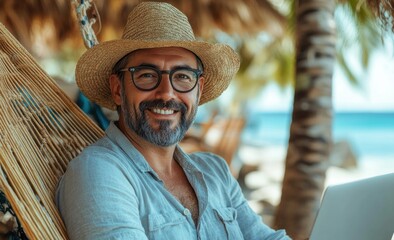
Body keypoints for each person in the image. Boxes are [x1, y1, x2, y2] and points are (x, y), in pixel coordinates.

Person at [56, 2, 290, 239]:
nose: (167, 93)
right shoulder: (100, 172)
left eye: (182, 76)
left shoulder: (215, 171)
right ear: (118, 89)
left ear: (198, 90)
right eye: (147, 75)